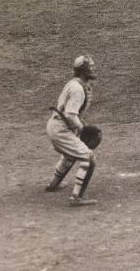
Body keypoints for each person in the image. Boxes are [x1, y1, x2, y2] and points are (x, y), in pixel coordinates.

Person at [45, 55, 98, 206]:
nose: (93, 69)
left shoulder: (73, 83)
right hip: (61, 129)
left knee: (70, 155)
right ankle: (76, 198)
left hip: (56, 125)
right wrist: (83, 129)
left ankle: (52, 185)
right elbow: (70, 114)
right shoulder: (78, 89)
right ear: (83, 70)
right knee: (89, 159)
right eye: (90, 67)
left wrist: (80, 124)